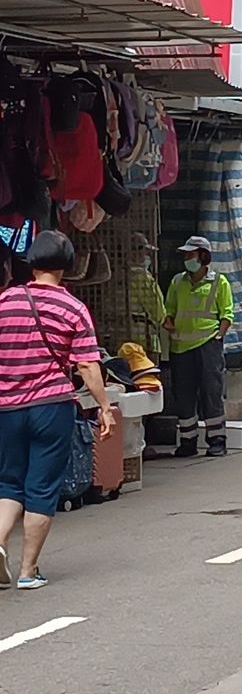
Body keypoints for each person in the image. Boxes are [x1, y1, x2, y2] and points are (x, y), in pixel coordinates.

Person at [0, 231, 114, 592]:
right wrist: (105, 406)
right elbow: (87, 365)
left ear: (30, 263)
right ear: (67, 266)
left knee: (8, 483)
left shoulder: (5, 302)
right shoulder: (73, 308)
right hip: (51, 406)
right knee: (42, 487)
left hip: (7, 408)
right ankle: (28, 570)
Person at [164, 236, 234, 458]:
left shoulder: (219, 282)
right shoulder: (177, 282)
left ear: (203, 256)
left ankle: (216, 439)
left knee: (211, 392)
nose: (186, 259)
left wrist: (218, 336)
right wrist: (168, 323)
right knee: (183, 395)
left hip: (207, 345)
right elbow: (169, 311)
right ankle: (187, 441)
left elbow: (227, 314)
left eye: (190, 255)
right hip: (180, 347)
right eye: (185, 255)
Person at [129, 232, 166, 359]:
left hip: (119, 339)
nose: (148, 256)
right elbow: (158, 313)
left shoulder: (115, 274)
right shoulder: (142, 277)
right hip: (143, 340)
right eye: (145, 252)